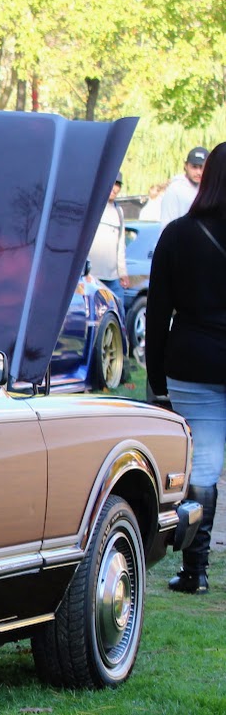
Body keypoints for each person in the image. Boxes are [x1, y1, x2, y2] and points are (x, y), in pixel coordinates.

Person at [145, 140, 226, 593]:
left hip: (194, 361)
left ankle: (196, 571)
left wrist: (156, 380)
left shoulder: (177, 235)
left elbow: (158, 313)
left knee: (204, 465)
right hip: (198, 360)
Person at [87, 175, 130, 304]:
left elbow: (120, 244)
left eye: (118, 184)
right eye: (112, 183)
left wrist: (123, 273)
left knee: (118, 310)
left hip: (113, 278)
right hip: (92, 276)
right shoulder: (93, 207)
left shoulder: (119, 211)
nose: (114, 188)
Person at [157, 146, 207, 226]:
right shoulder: (175, 189)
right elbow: (167, 223)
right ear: (186, 166)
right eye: (194, 167)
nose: (198, 172)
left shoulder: (208, 189)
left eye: (202, 167)